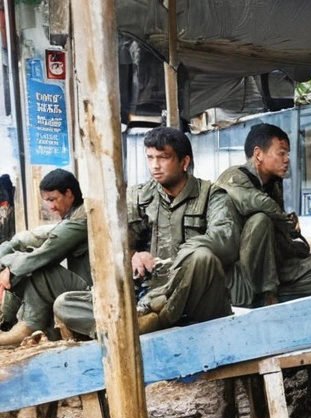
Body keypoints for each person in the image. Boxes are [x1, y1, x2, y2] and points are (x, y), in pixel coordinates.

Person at [54, 127, 235, 337]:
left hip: (198, 302)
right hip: (146, 298)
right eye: (150, 158)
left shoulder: (212, 195)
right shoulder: (140, 196)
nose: (155, 165)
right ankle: (147, 320)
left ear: (184, 162)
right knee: (65, 303)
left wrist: (182, 261)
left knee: (202, 257)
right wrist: (132, 256)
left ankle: (141, 324)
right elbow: (115, 243)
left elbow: (225, 240)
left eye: (163, 157)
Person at [216, 123, 311, 307]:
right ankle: (265, 294)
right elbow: (259, 204)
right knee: (260, 220)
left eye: (287, 154)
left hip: (273, 269)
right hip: (238, 277)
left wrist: (295, 245)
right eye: (281, 153)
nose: (287, 159)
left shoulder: (273, 184)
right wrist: (287, 223)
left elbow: (279, 235)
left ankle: (279, 290)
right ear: (258, 154)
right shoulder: (233, 177)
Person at [0, 169, 88, 345]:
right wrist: (7, 258)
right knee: (26, 264)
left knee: (37, 268)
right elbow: (35, 237)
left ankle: (29, 326)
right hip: (82, 289)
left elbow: (44, 254)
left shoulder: (83, 219)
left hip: (91, 294)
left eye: (53, 200)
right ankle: (7, 324)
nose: (51, 207)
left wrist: (8, 266)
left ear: (69, 194)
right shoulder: (72, 217)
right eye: (47, 201)